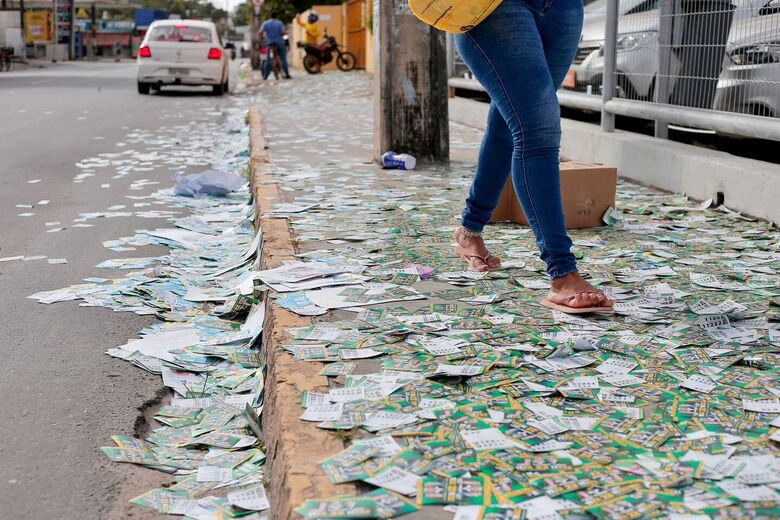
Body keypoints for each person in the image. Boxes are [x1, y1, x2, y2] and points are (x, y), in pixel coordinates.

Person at [452, 0, 613, 312]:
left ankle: (469, 230)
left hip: (563, 6)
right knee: (537, 129)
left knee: (509, 119)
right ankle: (563, 273)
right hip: (493, 6)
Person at [259, 11, 291, 79]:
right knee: (283, 59)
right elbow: (283, 32)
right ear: (276, 16)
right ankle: (287, 74)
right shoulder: (279, 23)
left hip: (269, 43)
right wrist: (286, 33)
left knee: (268, 59)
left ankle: (265, 75)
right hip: (279, 43)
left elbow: (260, 32)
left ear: (270, 16)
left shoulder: (266, 23)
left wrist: (263, 38)